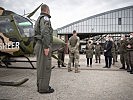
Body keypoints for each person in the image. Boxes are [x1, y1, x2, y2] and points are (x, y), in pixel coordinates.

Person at [34, 4, 54, 93]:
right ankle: (43, 88)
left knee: (40, 68)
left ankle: (41, 86)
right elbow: (45, 31)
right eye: (49, 10)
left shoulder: (39, 19)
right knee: (45, 67)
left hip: (40, 44)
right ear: (47, 10)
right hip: (43, 45)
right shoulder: (45, 18)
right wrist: (46, 46)